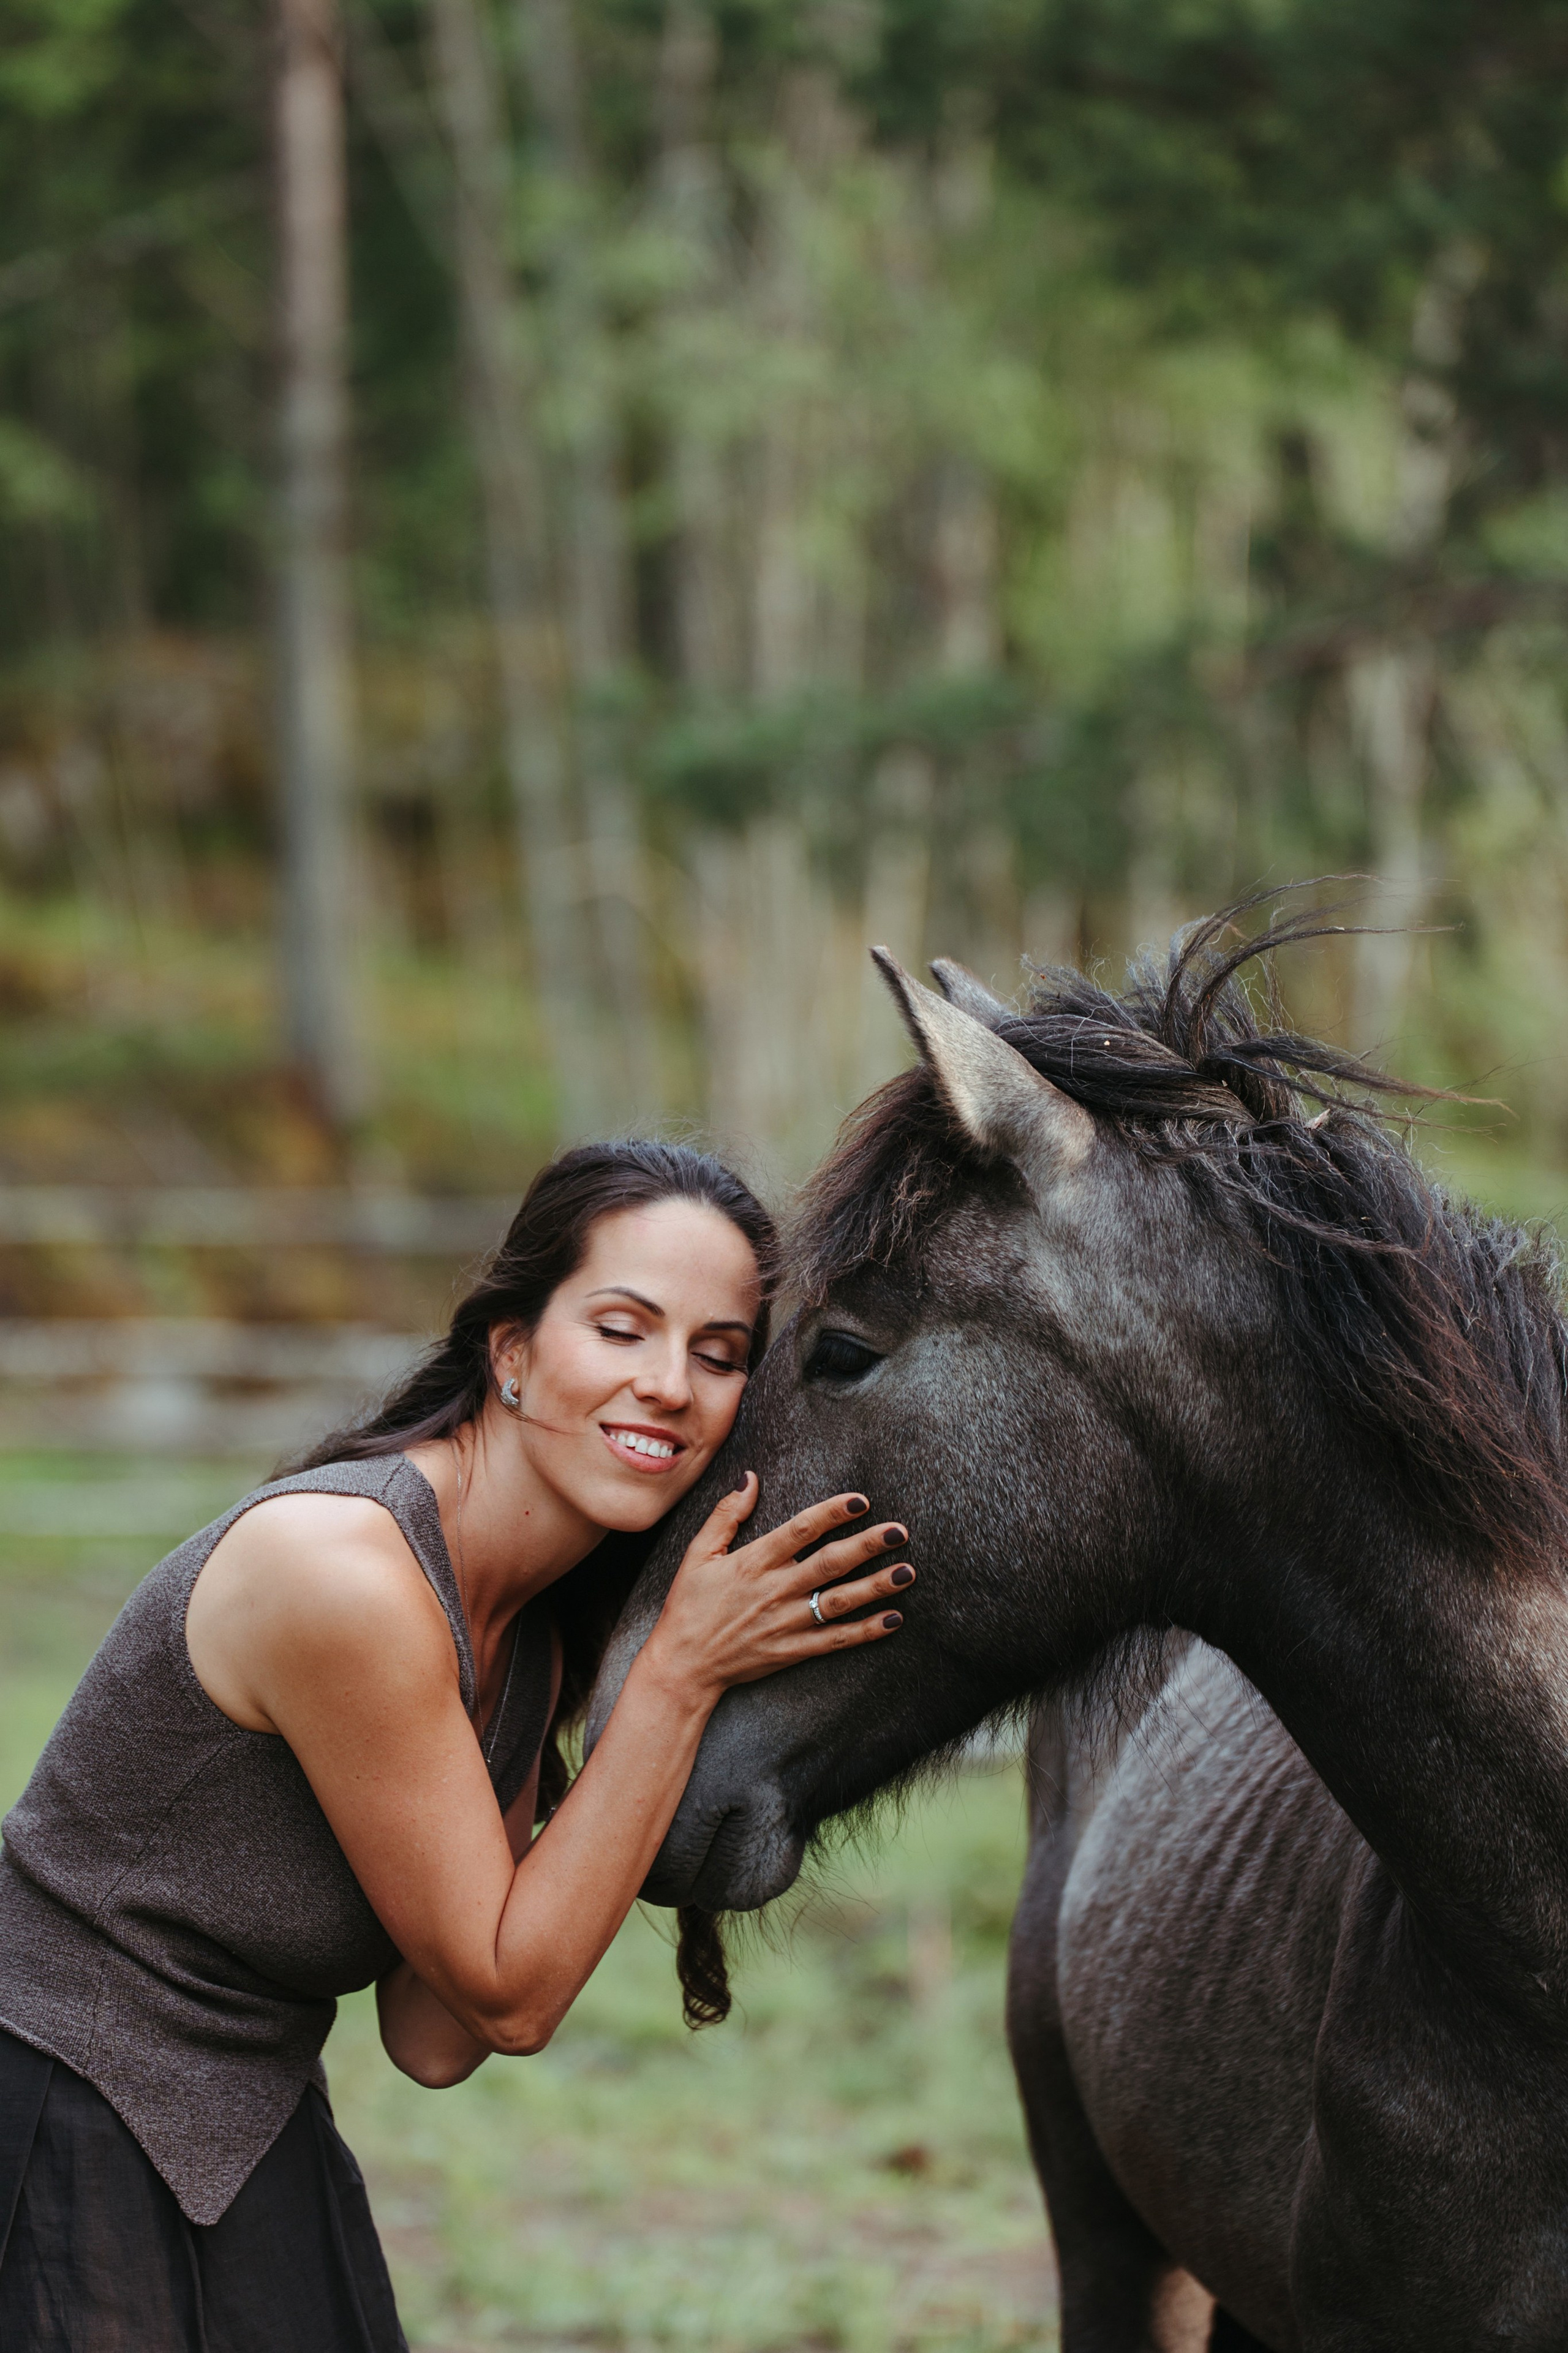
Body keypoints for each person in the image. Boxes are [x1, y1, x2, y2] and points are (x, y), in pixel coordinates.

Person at [0, 1141, 916, 2350]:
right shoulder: (347, 1577)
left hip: (241, 2113)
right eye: (622, 1327)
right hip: (53, 2091)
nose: (670, 1385)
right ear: (512, 1351)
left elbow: (435, 2037)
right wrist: (678, 1673)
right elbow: (510, 1995)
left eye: (718, 1353)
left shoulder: (525, 1641)